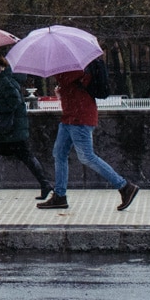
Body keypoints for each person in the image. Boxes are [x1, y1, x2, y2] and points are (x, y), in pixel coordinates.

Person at [36, 68, 139, 211]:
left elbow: (67, 79)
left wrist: (58, 78)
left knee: (86, 156)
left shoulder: (77, 68)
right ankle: (60, 196)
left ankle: (124, 186)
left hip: (80, 117)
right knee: (59, 153)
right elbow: (69, 87)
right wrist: (61, 92)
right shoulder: (68, 70)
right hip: (69, 117)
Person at [0, 54, 51, 201]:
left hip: (11, 128)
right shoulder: (0, 80)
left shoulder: (4, 80)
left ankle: (45, 184)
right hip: (8, 128)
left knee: (23, 155)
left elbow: (14, 101)